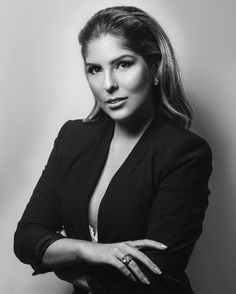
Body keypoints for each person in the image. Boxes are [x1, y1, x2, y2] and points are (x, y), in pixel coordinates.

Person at [14, 5, 213, 294]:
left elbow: (157, 272)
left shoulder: (185, 153)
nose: (108, 84)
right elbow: (26, 238)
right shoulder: (73, 137)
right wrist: (88, 251)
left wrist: (71, 269)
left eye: (123, 64)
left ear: (155, 68)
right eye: (95, 69)